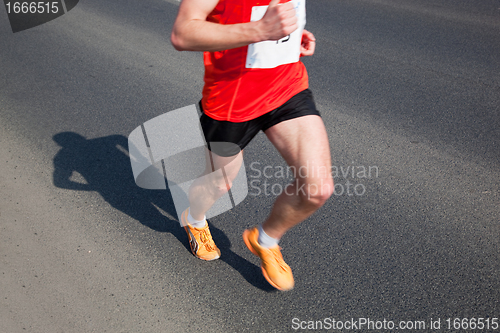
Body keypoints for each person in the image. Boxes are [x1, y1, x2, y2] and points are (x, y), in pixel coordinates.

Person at [171, 0, 334, 291]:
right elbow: (183, 33)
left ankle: (266, 239)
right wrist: (260, 29)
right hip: (231, 102)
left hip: (287, 86)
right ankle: (194, 220)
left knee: (317, 189)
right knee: (218, 185)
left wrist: (290, 35)